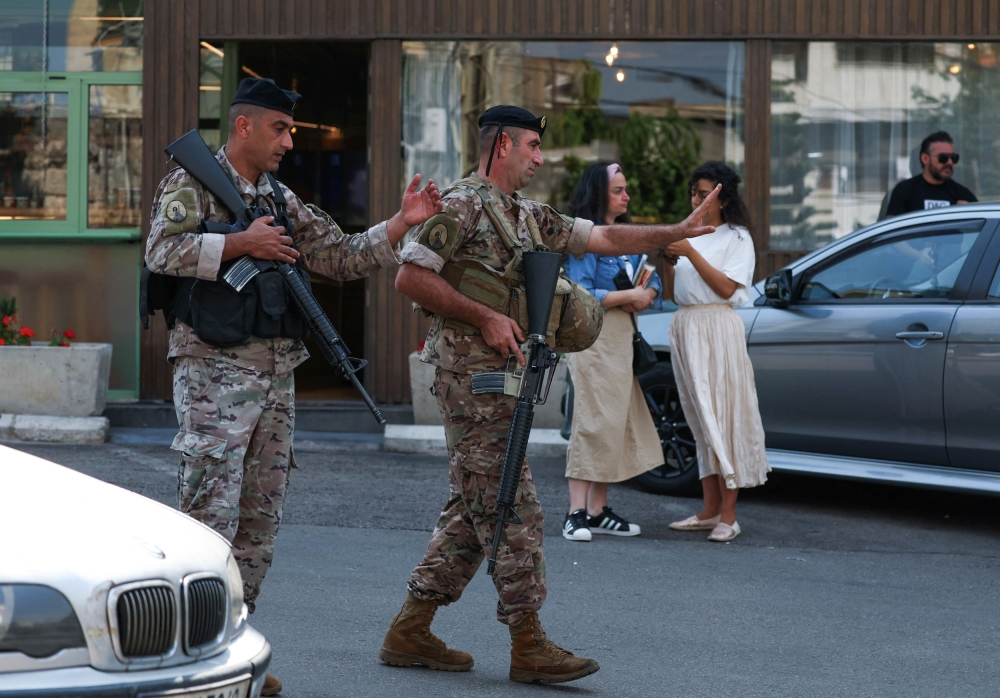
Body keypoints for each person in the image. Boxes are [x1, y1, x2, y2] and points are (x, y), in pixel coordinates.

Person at [382, 105, 720, 685]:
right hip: (471, 380)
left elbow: (605, 236)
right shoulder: (462, 205)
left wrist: (675, 233)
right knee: (513, 504)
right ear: (502, 145)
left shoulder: (526, 214)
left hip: (506, 378)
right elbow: (410, 275)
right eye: (533, 146)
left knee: (474, 509)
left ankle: (410, 628)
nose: (540, 158)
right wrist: (487, 317)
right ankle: (527, 642)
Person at [144, 77, 442, 697]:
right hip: (214, 373)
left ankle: (229, 654)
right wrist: (237, 243)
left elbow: (336, 255)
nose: (288, 141)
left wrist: (398, 224)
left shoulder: (279, 197)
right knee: (208, 517)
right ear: (245, 126)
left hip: (276, 376)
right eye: (279, 129)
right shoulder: (192, 182)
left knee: (258, 522)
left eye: (291, 131)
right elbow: (158, 251)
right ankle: (182, 659)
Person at [664, 161, 770, 543]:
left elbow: (727, 289)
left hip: (718, 326)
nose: (696, 199)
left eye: (703, 192)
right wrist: (670, 261)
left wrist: (690, 253)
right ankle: (709, 510)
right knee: (698, 417)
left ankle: (729, 514)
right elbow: (674, 293)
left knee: (723, 414)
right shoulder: (688, 234)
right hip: (687, 324)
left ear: (722, 199)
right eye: (693, 191)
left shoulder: (736, 237)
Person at [561, 162, 665, 542]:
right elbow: (580, 291)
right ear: (599, 193)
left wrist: (648, 294)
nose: (627, 196)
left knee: (614, 421)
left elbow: (650, 277)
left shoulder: (623, 235)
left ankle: (597, 509)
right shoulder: (584, 236)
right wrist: (631, 296)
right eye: (619, 190)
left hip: (620, 337)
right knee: (592, 419)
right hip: (592, 337)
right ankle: (575, 513)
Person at [885, 131, 977, 216]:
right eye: (943, 158)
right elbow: (890, 229)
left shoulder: (962, 195)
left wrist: (968, 213)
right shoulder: (905, 191)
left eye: (953, 158)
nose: (949, 163)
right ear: (925, 159)